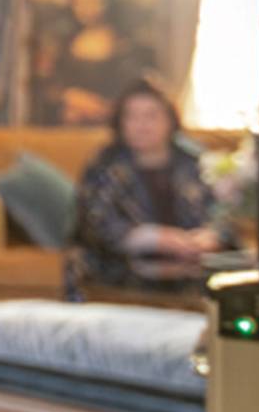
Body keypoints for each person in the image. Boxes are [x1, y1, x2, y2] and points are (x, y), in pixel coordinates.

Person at [65, 78, 230, 301]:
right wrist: (156, 238)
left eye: (151, 116)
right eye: (132, 116)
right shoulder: (104, 164)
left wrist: (210, 236)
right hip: (122, 267)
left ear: (170, 121)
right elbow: (95, 225)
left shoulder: (194, 162)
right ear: (120, 123)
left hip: (193, 265)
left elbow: (224, 211)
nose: (142, 125)